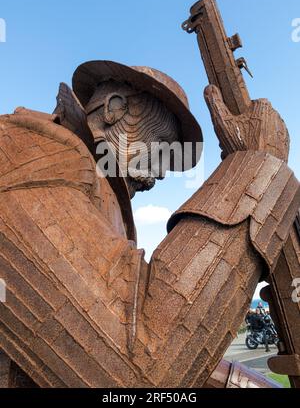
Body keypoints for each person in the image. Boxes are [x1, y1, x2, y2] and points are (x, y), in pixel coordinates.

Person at [0, 61, 298, 387]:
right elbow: (133, 376)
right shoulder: (34, 150)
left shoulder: (92, 185)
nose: (160, 174)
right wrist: (257, 168)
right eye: (161, 148)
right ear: (114, 109)